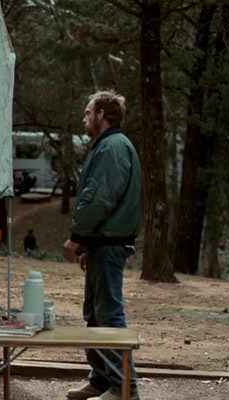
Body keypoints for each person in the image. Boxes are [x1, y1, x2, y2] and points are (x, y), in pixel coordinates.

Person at [62, 91, 141, 400]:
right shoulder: (108, 146)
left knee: (108, 314)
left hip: (109, 243)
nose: (84, 118)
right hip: (102, 242)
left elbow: (99, 197)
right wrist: (88, 244)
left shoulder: (113, 147)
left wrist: (77, 237)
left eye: (88, 112)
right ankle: (102, 379)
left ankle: (124, 389)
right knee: (95, 314)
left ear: (102, 115)